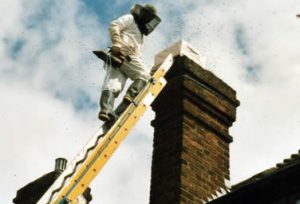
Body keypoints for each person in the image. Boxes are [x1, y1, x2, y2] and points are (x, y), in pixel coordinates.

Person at [98, 4, 161, 122]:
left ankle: (107, 111)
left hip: (125, 57)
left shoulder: (140, 35)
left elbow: (138, 55)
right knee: (145, 77)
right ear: (142, 13)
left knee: (113, 85)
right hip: (123, 53)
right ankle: (129, 96)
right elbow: (114, 25)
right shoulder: (130, 18)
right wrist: (117, 42)